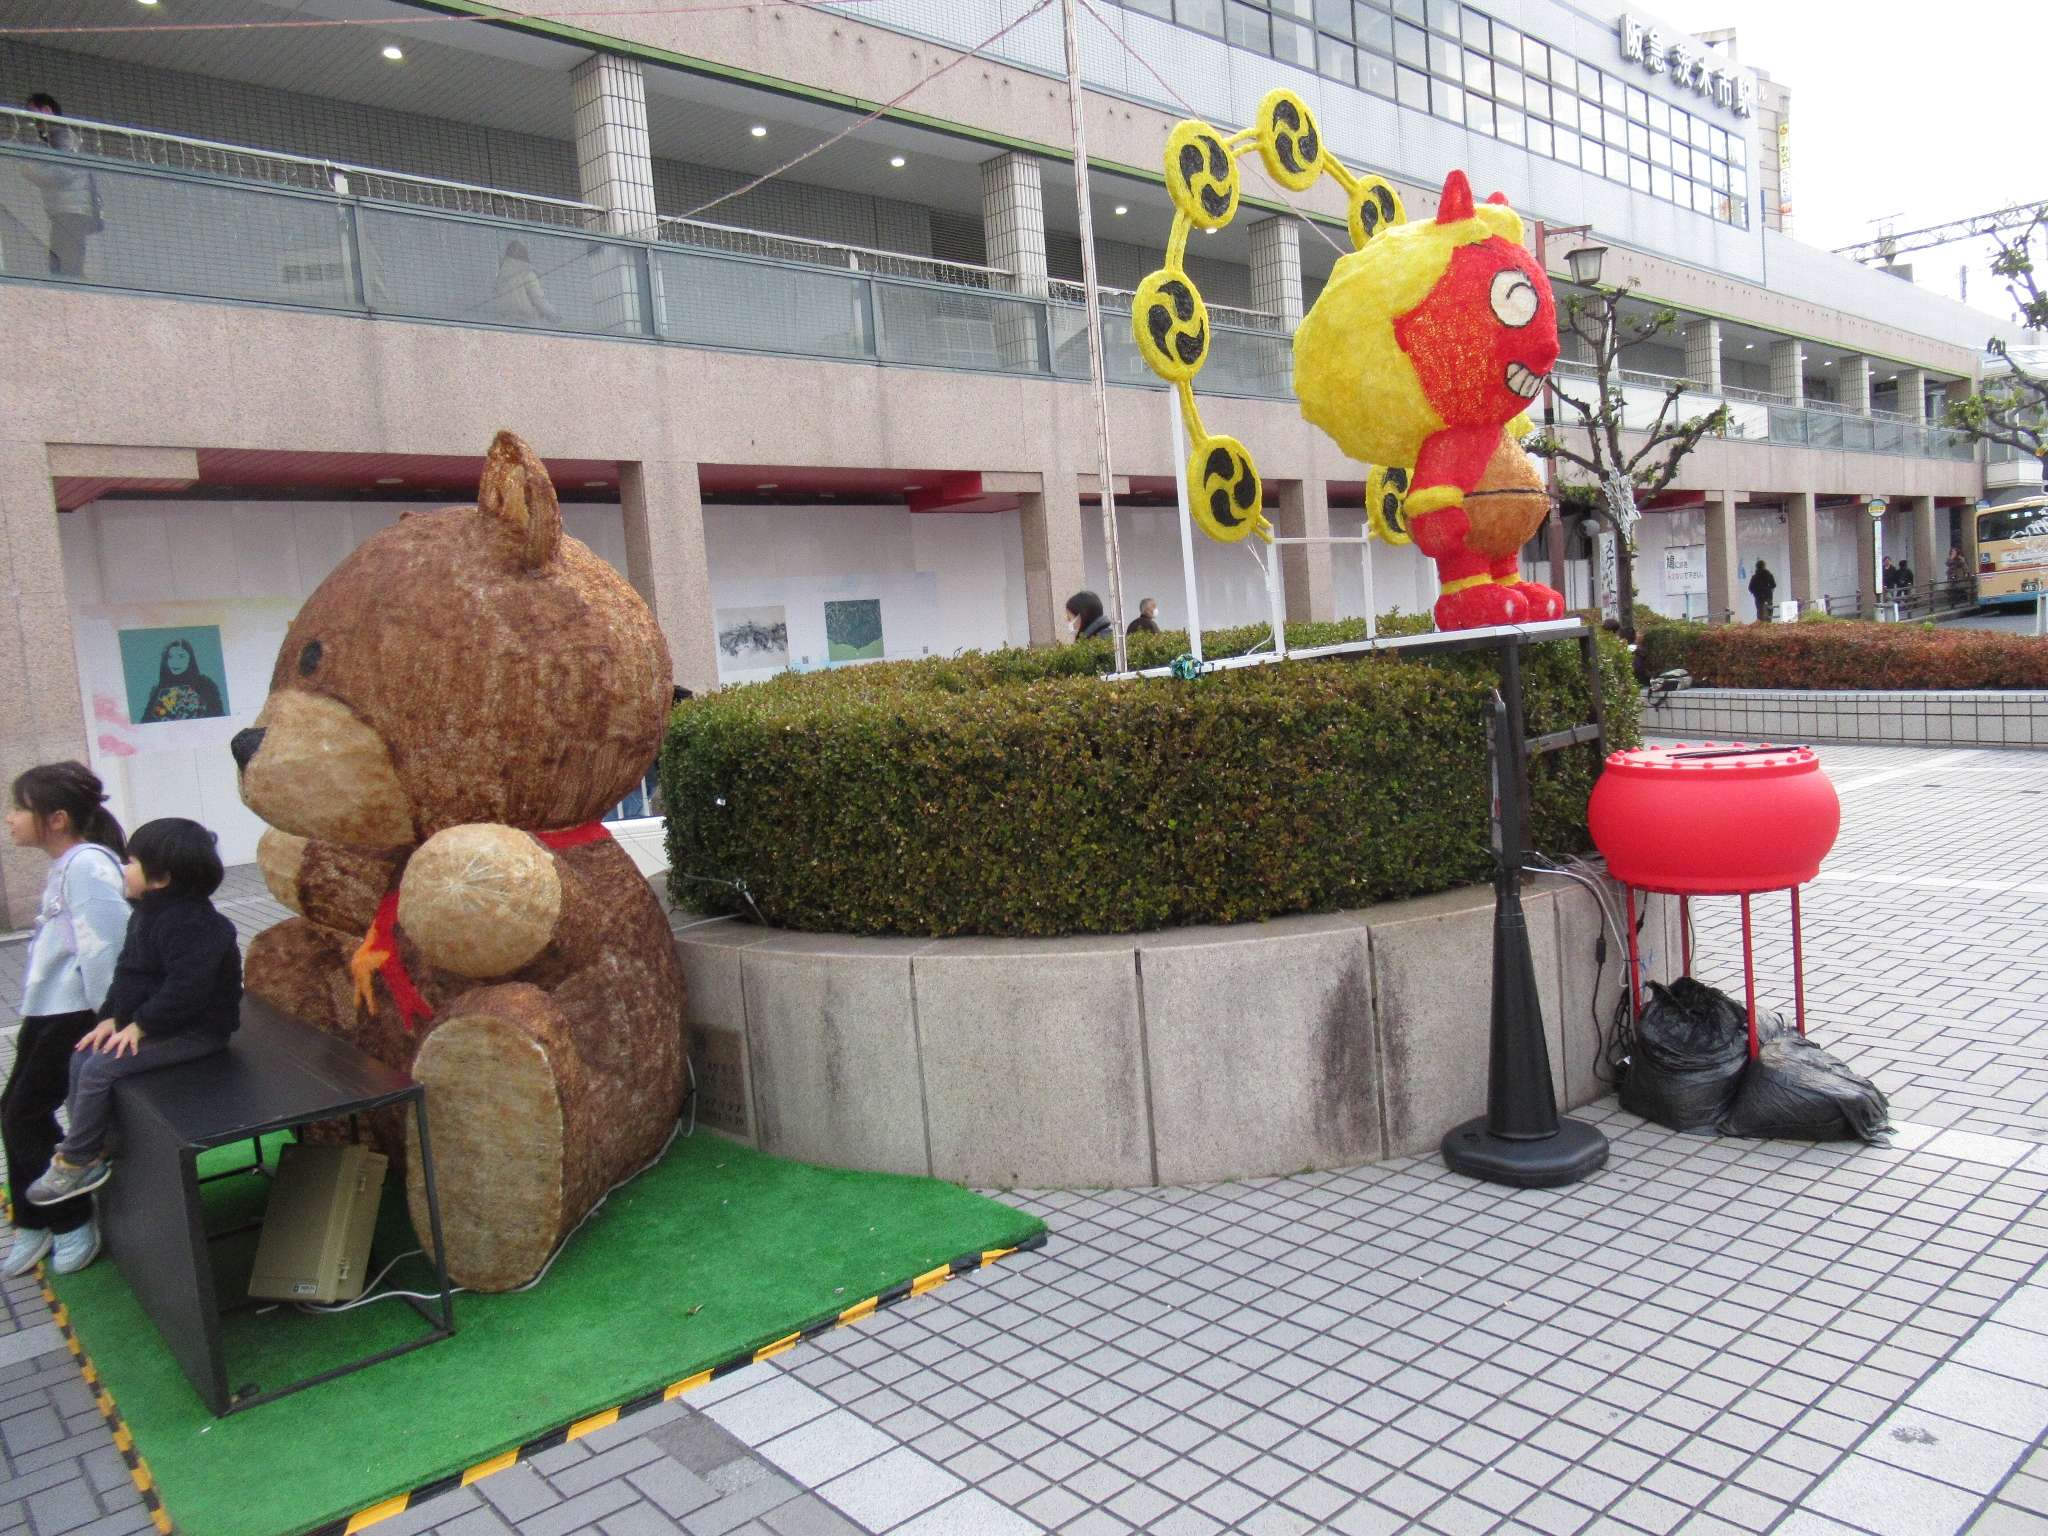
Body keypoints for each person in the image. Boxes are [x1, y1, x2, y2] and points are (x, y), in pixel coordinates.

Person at [24, 819, 243, 1222]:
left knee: (101, 1068)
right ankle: (95, 1144)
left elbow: (187, 990)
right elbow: (128, 972)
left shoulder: (197, 925)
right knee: (83, 1055)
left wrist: (141, 1026)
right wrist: (112, 1017)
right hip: (164, 1022)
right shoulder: (146, 914)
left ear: (162, 877)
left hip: (199, 1030)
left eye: (132, 862)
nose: (123, 869)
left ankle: (77, 1160)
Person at [2, 765, 130, 1277]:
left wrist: (111, 1016)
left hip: (77, 1015)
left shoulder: (87, 864)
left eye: (19, 807)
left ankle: (71, 1219)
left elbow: (107, 946)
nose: (10, 818)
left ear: (56, 819)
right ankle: (34, 1220)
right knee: (14, 1111)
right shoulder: (69, 864)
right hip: (49, 1010)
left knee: (23, 1114)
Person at [21, 93, 98, 278]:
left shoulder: (62, 135)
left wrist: (32, 173)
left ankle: (73, 289)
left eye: (32, 111)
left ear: (47, 110)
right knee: (63, 258)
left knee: (66, 261)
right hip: (69, 209)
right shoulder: (54, 137)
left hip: (71, 209)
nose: (31, 119)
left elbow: (65, 171)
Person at [140, 637, 226, 722]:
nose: (175, 662)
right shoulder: (158, 690)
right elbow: (146, 722)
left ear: (190, 659)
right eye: (170, 657)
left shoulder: (206, 685)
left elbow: (219, 718)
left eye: (181, 656)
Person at [489, 240, 560, 326]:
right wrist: (553, 315)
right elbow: (537, 298)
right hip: (526, 322)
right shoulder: (526, 273)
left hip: (505, 322)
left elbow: (495, 298)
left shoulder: (501, 275)